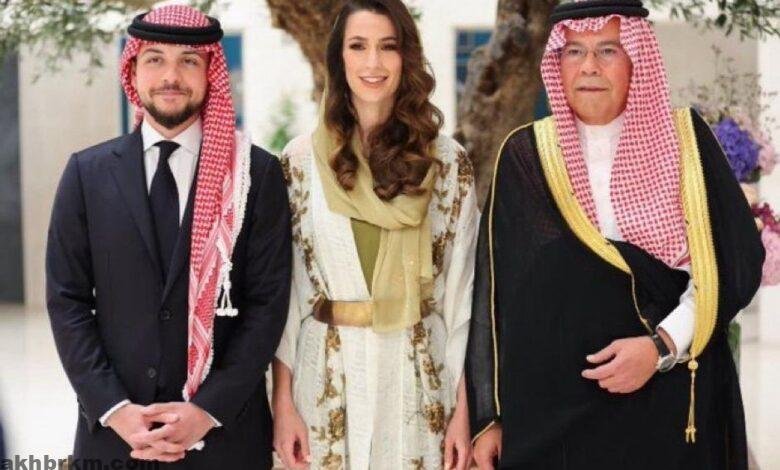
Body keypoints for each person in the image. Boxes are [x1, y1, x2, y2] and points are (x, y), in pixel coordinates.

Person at [466, 1, 764, 469]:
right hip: (556, 416)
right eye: (574, 51)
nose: (589, 66)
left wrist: (661, 347)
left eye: (607, 50)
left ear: (635, 61)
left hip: (666, 405)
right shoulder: (526, 154)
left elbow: (732, 264)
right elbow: (496, 294)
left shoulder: (686, 142)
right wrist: (490, 417)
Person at [46, 5, 291, 468]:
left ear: (210, 73)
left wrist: (206, 411)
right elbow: (67, 302)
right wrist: (115, 410)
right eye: (155, 59)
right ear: (133, 70)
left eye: (188, 61)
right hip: (115, 439)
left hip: (225, 440)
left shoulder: (256, 175)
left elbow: (268, 306)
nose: (170, 76)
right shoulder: (86, 173)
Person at [271, 0, 479, 468]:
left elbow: (461, 297)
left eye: (388, 46)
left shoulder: (446, 163)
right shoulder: (300, 162)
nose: (373, 63)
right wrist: (282, 405)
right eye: (358, 46)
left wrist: (464, 412)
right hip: (324, 381)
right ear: (338, 58)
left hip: (419, 380)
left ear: (406, 57)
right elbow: (287, 296)